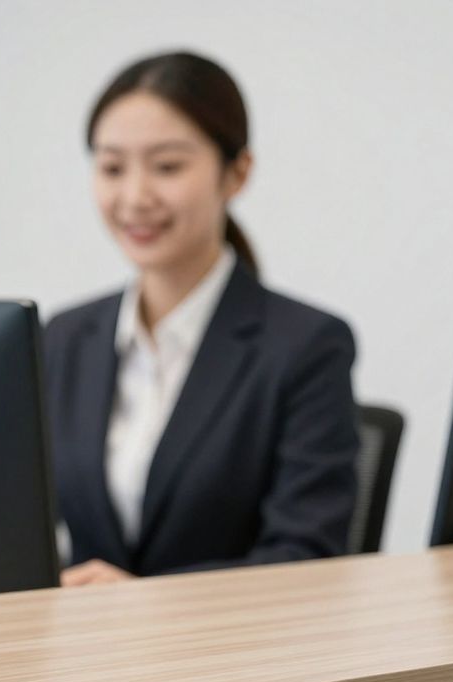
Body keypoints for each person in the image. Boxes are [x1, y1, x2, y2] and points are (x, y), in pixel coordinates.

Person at [42, 51, 359, 585]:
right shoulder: (66, 337)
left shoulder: (306, 344)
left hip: (238, 660)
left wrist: (144, 604)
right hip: (82, 661)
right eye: (112, 167)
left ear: (236, 174)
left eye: (167, 166)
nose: (135, 197)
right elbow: (16, 522)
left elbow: (308, 558)